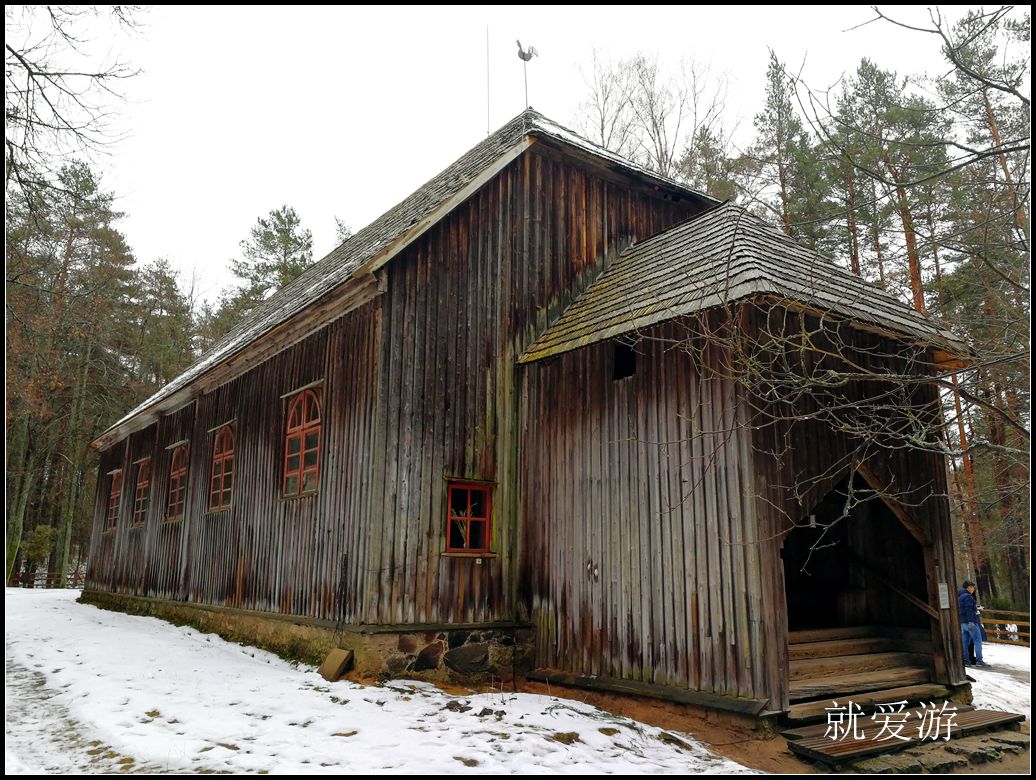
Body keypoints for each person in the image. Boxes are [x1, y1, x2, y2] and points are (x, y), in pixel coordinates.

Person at [958, 580, 989, 667]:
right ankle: (979, 660)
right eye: (972, 587)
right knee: (977, 641)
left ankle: (966, 660)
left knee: (965, 642)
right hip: (970, 622)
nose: (973, 588)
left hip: (962, 623)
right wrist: (971, 621)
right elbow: (969, 609)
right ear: (968, 587)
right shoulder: (968, 597)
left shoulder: (959, 597)